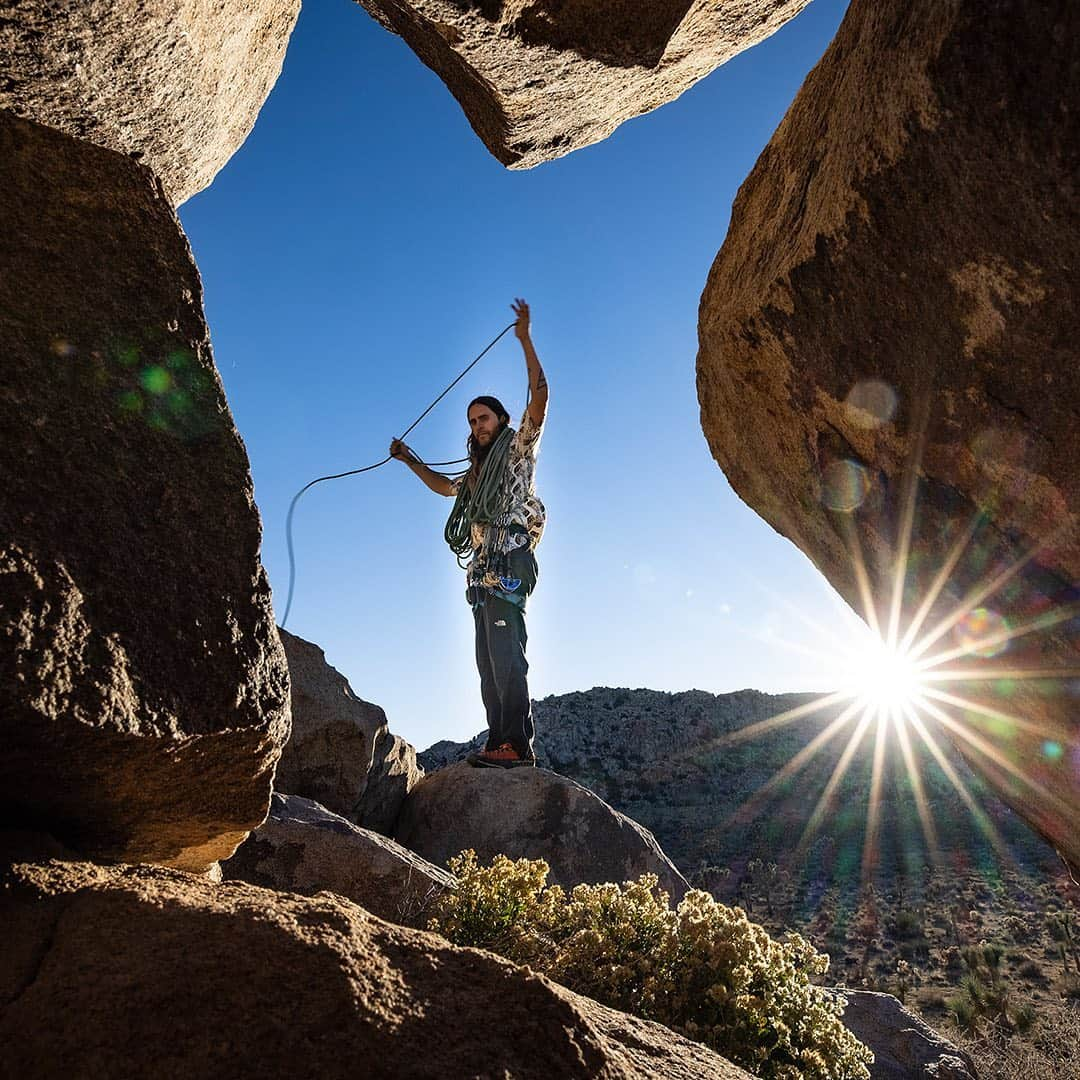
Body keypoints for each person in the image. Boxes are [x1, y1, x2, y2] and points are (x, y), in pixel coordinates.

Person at [390, 298, 548, 768]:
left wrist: (525, 339)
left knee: (506, 656)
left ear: (501, 420)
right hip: (480, 575)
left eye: (484, 418)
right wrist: (410, 459)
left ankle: (517, 747)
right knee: (487, 665)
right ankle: (499, 740)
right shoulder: (475, 475)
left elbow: (539, 398)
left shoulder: (519, 450)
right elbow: (446, 488)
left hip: (510, 562)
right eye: (472, 421)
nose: (478, 426)